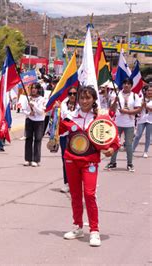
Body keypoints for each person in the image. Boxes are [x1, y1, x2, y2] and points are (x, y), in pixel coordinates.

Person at [59, 86, 119, 247]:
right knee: (75, 195)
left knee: (89, 194)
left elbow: (114, 138)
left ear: (93, 100)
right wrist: (52, 141)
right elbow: (58, 133)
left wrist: (111, 149)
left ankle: (94, 230)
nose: (85, 101)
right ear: (77, 99)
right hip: (71, 161)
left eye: (88, 98)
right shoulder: (70, 116)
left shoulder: (100, 118)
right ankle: (78, 227)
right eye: (82, 98)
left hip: (90, 162)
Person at [105, 78, 141, 172]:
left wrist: (127, 112)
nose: (126, 85)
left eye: (128, 84)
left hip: (129, 124)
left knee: (128, 145)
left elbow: (138, 109)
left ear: (131, 85)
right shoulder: (116, 95)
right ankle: (112, 163)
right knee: (115, 144)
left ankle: (130, 164)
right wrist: (115, 101)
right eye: (124, 83)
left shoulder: (135, 96)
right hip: (117, 123)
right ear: (122, 85)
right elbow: (112, 109)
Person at [58, 87, 79, 193]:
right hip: (65, 135)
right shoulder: (63, 105)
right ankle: (67, 183)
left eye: (74, 94)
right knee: (65, 159)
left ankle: (77, 182)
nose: (72, 96)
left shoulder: (80, 106)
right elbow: (65, 118)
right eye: (70, 93)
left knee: (77, 159)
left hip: (77, 136)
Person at [20, 83, 46, 167]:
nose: (33, 90)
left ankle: (36, 159)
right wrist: (28, 113)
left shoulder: (42, 99)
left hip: (39, 121)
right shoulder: (27, 98)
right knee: (28, 139)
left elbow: (41, 112)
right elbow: (23, 109)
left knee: (38, 139)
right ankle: (28, 159)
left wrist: (34, 106)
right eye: (32, 88)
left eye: (35, 88)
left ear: (38, 89)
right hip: (29, 120)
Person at [132, 85, 151, 157]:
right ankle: (132, 150)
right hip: (141, 119)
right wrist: (142, 106)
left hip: (150, 120)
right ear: (145, 91)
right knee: (138, 135)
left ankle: (145, 151)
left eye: (151, 90)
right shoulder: (140, 99)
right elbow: (137, 109)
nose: (149, 92)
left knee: (148, 136)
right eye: (148, 90)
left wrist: (146, 106)